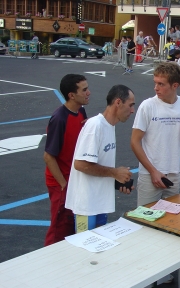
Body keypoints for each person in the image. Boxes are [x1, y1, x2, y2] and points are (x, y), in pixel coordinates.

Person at [65, 85, 135, 232]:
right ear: (118, 103)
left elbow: (98, 165)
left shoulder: (109, 126)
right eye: (130, 105)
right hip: (87, 206)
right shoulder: (95, 126)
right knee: (84, 248)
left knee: (98, 250)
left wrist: (118, 180)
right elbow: (81, 164)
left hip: (99, 202)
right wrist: (114, 173)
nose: (132, 110)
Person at [131, 62, 180, 207]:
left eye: (161, 84)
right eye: (155, 83)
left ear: (175, 86)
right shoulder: (147, 106)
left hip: (173, 173)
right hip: (149, 174)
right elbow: (134, 142)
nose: (156, 88)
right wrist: (153, 171)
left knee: (171, 220)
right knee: (145, 219)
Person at [43, 74, 89, 246]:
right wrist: (63, 184)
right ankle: (51, 262)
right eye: (84, 90)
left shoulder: (81, 111)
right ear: (71, 95)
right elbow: (48, 156)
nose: (88, 93)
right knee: (58, 229)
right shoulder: (59, 118)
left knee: (72, 225)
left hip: (74, 180)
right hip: (62, 182)